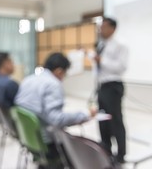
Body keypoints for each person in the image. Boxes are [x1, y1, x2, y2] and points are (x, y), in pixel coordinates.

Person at [15, 53, 95, 168]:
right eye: (65, 74)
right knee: (81, 154)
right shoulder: (53, 84)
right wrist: (85, 114)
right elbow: (56, 120)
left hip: (27, 139)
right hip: (46, 144)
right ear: (59, 71)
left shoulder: (28, 79)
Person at [94, 17, 128, 163]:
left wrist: (102, 61)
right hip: (102, 86)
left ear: (112, 28)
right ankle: (106, 149)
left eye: (104, 27)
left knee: (115, 121)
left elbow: (121, 67)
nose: (101, 29)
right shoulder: (102, 45)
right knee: (102, 120)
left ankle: (120, 155)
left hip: (113, 86)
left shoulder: (121, 45)